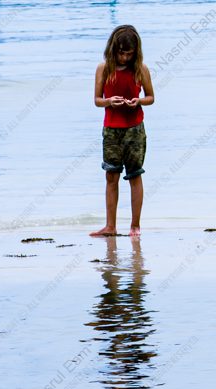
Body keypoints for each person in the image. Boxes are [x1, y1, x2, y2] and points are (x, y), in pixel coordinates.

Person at [90, 25, 155, 237]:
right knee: (111, 176)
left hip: (135, 129)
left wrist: (138, 101)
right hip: (111, 129)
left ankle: (135, 226)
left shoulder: (140, 69)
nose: (125, 58)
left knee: (135, 175)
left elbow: (151, 97)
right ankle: (110, 226)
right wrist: (109, 101)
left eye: (129, 54)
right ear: (113, 49)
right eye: (121, 53)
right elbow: (97, 101)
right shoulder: (103, 69)